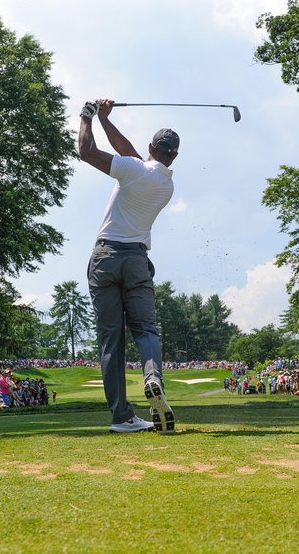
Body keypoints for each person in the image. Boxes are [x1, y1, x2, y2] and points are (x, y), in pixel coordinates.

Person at [78, 98, 176, 434]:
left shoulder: (135, 170)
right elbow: (131, 154)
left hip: (105, 258)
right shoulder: (165, 184)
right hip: (136, 260)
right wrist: (107, 121)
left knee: (111, 340)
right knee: (146, 331)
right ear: (173, 156)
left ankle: (121, 417)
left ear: (151, 148)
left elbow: (86, 152)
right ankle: (152, 380)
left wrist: (87, 117)